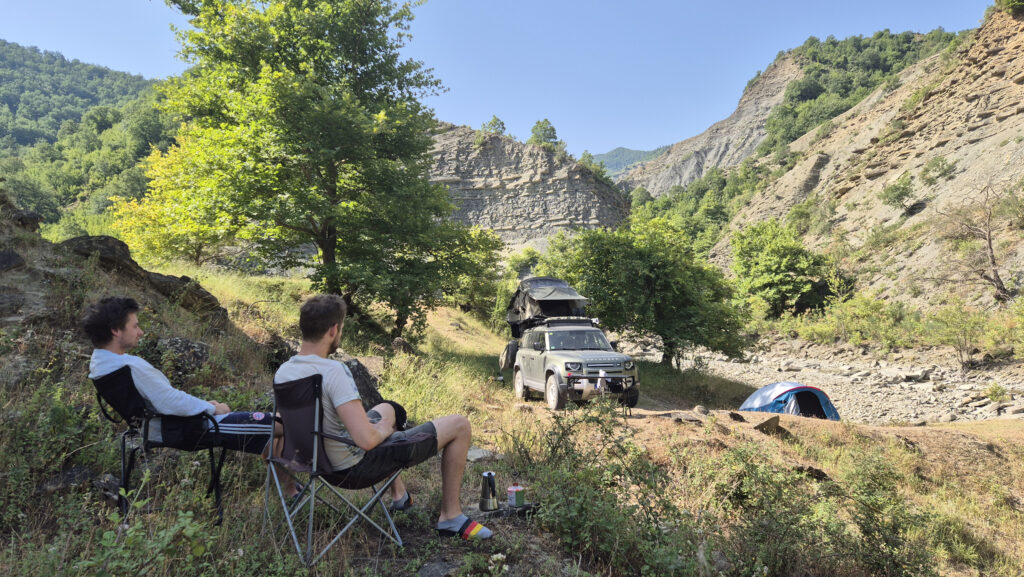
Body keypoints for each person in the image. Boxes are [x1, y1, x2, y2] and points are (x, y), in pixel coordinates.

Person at [274, 295, 493, 540]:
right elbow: (367, 442)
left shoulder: (285, 372)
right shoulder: (333, 371)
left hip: (319, 464)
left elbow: (291, 423)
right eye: (342, 329)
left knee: (387, 407)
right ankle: (451, 517)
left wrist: (377, 421)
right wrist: (386, 429)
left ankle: (399, 496)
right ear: (333, 330)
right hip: (354, 468)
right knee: (459, 425)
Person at [82, 296, 281, 460]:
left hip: (156, 429)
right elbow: (169, 401)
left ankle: (291, 490)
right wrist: (212, 408)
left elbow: (161, 401)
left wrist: (203, 404)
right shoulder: (128, 367)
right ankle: (296, 489)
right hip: (183, 429)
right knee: (281, 423)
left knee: (274, 431)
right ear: (116, 330)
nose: (140, 332)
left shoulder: (100, 364)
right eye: (135, 326)